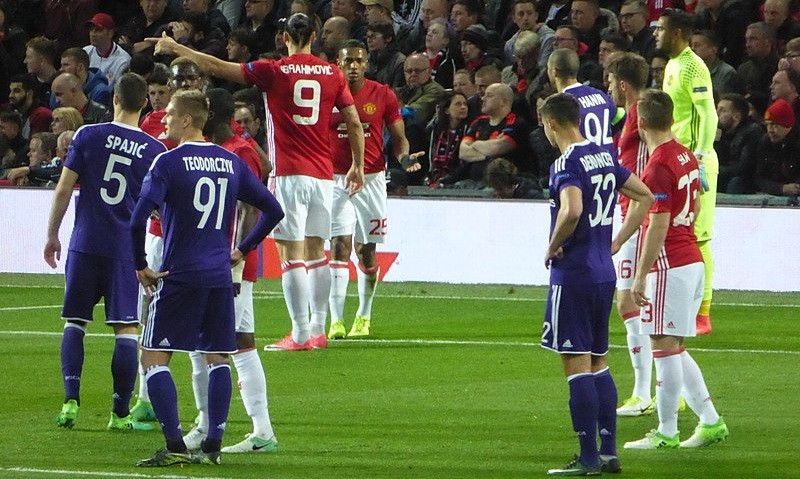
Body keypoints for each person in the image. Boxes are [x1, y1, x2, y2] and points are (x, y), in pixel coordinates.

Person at [147, 12, 365, 352]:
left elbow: (217, 67)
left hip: (290, 171)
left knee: (290, 253)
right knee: (316, 251)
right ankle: (320, 329)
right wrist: (357, 165)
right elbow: (352, 120)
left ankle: (300, 334)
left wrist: (177, 47)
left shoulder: (273, 70)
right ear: (314, 36)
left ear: (284, 37)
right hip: (323, 174)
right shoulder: (333, 74)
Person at [131, 89, 284, 467]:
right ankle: (214, 443)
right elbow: (273, 209)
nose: (163, 119)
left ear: (187, 119)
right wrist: (243, 248)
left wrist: (140, 265)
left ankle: (174, 446)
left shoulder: (168, 163)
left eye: (168, 113)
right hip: (219, 276)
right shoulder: (230, 162)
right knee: (218, 356)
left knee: (153, 357)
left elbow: (137, 219)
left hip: (179, 274)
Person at [43, 73, 168, 432]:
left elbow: (65, 189)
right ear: (144, 103)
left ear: (114, 99)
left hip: (84, 242)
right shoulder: (153, 151)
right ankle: (120, 412)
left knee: (75, 322)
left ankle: (70, 401)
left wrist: (52, 234)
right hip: (125, 249)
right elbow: (159, 208)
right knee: (127, 329)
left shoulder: (87, 135)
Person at [539, 92, 653, 476]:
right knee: (599, 361)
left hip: (573, 274)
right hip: (604, 271)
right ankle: (608, 451)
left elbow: (571, 209)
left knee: (576, 365)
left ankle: (587, 458)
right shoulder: (605, 155)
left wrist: (553, 246)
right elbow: (645, 195)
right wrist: (617, 239)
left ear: (551, 123)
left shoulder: (566, 163)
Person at [623, 89, 729, 450]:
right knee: (675, 347)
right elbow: (696, 207)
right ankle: (711, 422)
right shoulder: (685, 154)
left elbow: (658, 225)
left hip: (671, 266)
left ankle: (666, 432)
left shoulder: (657, 166)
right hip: (692, 259)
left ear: (640, 122)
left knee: (662, 347)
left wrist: (640, 275)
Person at [178, 88, 279, 454]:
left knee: (233, 343)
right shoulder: (224, 152)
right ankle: (219, 426)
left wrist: (238, 252)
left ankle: (250, 430)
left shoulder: (239, 153)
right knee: (216, 341)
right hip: (213, 263)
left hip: (231, 266)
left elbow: (252, 209)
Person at [327, 40, 420, 340]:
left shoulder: (382, 95)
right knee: (338, 245)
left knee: (365, 252)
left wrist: (404, 159)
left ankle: (364, 315)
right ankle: (336, 320)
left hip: (371, 179)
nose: (353, 66)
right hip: (335, 179)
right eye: (347, 61)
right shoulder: (325, 95)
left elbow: (398, 137)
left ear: (366, 63)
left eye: (358, 60)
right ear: (337, 64)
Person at [656, 8, 719, 334]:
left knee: (699, 236)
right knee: (675, 233)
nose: (656, 34)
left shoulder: (694, 66)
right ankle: (681, 303)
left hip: (695, 161)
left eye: (661, 28)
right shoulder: (672, 65)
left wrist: (701, 155)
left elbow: (707, 114)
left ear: (677, 32)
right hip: (677, 161)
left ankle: (702, 313)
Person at [605, 52, 658, 417]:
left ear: (622, 84)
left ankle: (642, 393)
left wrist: (660, 200)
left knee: (629, 303)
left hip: (638, 215)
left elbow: (663, 152)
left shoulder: (641, 112)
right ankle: (668, 386)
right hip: (635, 212)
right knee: (639, 305)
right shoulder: (633, 113)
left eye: (610, 82)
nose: (608, 88)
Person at [548, 48, 618, 159]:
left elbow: (554, 141)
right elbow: (619, 121)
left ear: (554, 71)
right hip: (609, 165)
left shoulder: (559, 104)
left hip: (583, 167)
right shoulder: (600, 94)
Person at [84, 13, 132, 88]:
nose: (93, 34)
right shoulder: (85, 52)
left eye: (98, 30)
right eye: (91, 30)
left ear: (110, 33)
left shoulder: (123, 61)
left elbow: (119, 92)